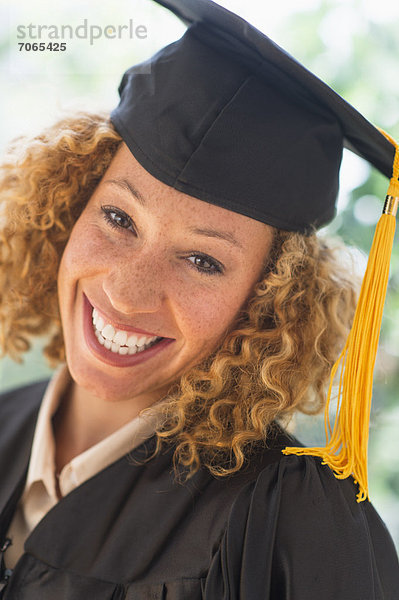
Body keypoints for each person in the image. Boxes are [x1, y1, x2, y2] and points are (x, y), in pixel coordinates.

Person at [0, 0, 398, 598]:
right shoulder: (4, 424)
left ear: (267, 301)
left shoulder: (290, 519)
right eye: (117, 217)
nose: (126, 294)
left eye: (203, 261)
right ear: (70, 204)